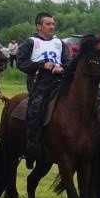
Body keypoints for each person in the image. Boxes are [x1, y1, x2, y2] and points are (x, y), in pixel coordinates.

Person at [17, 12, 69, 168]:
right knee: (36, 108)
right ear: (39, 26)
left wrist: (62, 68)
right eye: (48, 24)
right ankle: (33, 147)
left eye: (53, 24)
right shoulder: (31, 42)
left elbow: (68, 61)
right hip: (39, 81)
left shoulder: (60, 43)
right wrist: (41, 65)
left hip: (59, 79)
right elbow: (21, 62)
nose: (52, 26)